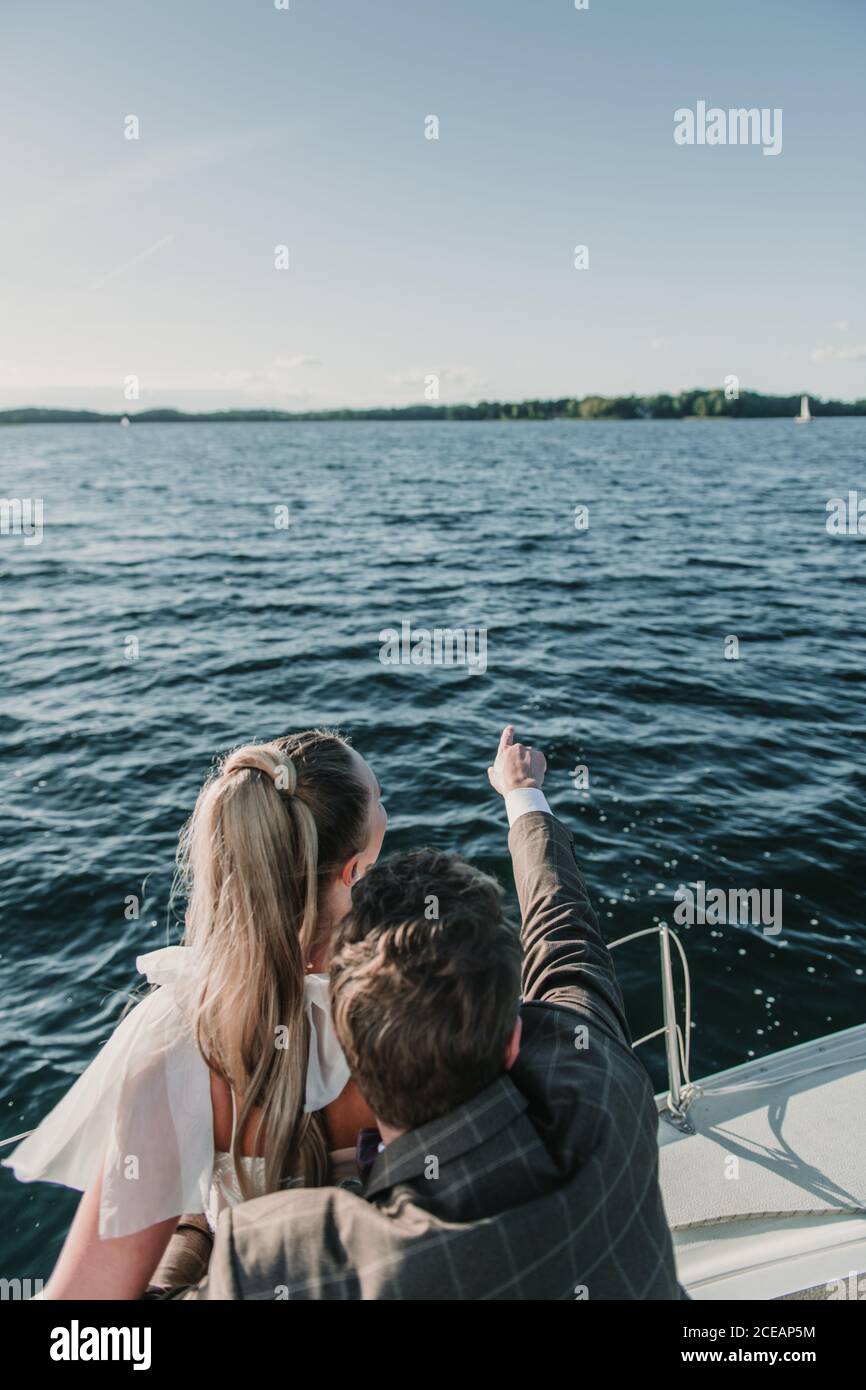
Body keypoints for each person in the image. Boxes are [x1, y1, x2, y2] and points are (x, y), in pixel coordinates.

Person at [176, 726, 683, 1300]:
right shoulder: (601, 1084)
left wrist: (192, 1223)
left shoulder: (291, 1259)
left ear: (348, 1060)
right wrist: (522, 796)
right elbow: (564, 937)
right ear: (512, 1042)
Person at [3, 730, 388, 1299]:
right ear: (353, 869)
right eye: (381, 797)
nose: (386, 804)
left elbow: (82, 1302)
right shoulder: (402, 1010)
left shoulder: (181, 1036)